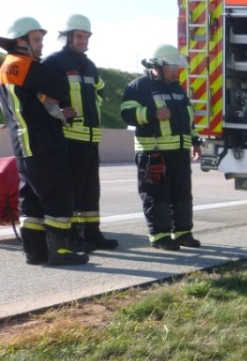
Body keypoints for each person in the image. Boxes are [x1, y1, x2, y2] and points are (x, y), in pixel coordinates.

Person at [0, 17, 88, 265]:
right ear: (21, 41)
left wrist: (50, 108)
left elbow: (30, 104)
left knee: (31, 201)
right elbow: (59, 88)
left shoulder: (6, 68)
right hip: (44, 145)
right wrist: (54, 105)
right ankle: (60, 251)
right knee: (59, 196)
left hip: (24, 147)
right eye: (37, 40)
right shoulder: (25, 65)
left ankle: (35, 252)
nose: (41, 45)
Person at [43, 14, 118, 251]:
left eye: (86, 37)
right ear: (67, 37)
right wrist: (58, 112)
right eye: (78, 36)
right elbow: (41, 97)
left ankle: (92, 233)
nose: (82, 41)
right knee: (72, 191)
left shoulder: (90, 65)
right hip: (69, 137)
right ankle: (73, 236)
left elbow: (99, 91)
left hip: (90, 138)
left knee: (90, 191)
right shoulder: (54, 62)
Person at [120, 44, 201, 250]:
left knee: (182, 194)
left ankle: (182, 233)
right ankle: (160, 236)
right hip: (154, 154)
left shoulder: (177, 88)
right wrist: (152, 114)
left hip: (179, 152)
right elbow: (127, 114)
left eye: (177, 67)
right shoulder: (138, 87)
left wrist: (195, 141)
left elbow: (188, 119)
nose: (176, 71)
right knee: (157, 195)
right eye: (172, 67)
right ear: (158, 66)